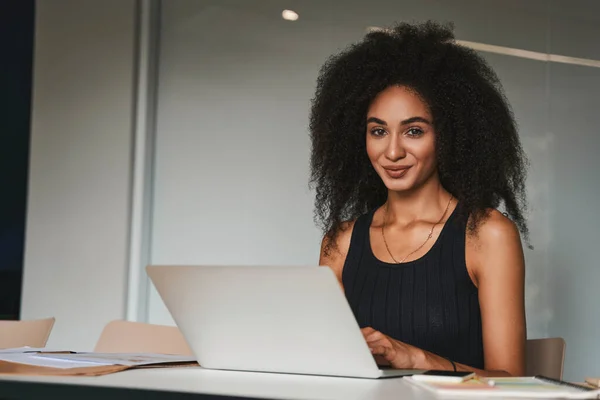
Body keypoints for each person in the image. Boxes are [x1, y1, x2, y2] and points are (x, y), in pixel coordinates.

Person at [309, 21, 529, 377]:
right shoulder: (341, 243)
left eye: (414, 131)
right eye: (378, 131)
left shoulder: (487, 234)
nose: (392, 151)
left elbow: (512, 382)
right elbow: (324, 364)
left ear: (449, 135)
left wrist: (418, 359)